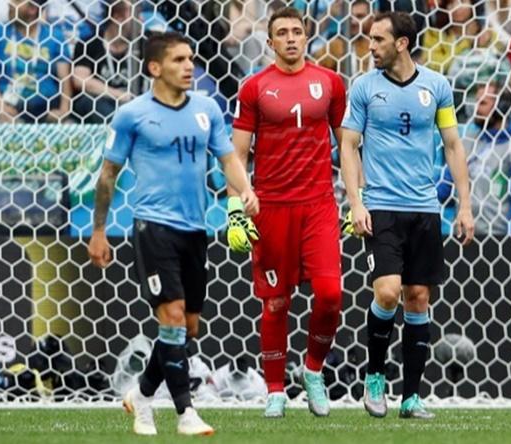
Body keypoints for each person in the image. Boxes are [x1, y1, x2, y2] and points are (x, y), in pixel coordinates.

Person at [87, 31, 258, 436]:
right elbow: (107, 177)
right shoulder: (132, 115)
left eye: (191, 59)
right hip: (153, 226)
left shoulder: (206, 109)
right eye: (180, 60)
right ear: (154, 68)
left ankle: (142, 394)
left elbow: (228, 158)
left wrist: (246, 189)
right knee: (174, 317)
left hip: (196, 228)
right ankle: (185, 412)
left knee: (187, 326)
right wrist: (99, 230)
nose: (189, 67)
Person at [340, 11, 474, 419]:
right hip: (381, 206)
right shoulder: (363, 87)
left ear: (402, 43)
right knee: (387, 292)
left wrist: (464, 205)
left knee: (418, 299)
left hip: (425, 209)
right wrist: (356, 201)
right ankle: (375, 376)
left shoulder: (437, 87)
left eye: (378, 39)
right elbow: (348, 144)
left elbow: (452, 144)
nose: (371, 46)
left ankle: (411, 397)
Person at [227, 6, 346, 418]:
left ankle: (313, 370)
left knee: (331, 295)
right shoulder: (254, 88)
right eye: (283, 32)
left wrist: (357, 196)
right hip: (271, 207)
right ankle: (275, 389)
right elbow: (236, 155)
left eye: (298, 31)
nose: (292, 38)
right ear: (271, 40)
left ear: (306, 36)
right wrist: (235, 208)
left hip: (318, 205)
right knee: (276, 303)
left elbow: (346, 145)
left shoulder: (330, 83)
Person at [438, 82, 511, 235]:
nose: (477, 109)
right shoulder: (466, 143)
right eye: (476, 102)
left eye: (483, 103)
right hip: (462, 235)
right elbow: (444, 188)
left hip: (497, 239)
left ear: (502, 106)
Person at [0, 0, 72, 123]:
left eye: (17, 1)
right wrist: (0, 106)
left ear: (32, 9)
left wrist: (64, 110)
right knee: (5, 128)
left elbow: (65, 77)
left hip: (46, 108)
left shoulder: (55, 36)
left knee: (70, 131)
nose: (10, 3)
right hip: (9, 106)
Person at [72, 0, 143, 123]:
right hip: (101, 101)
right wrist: (118, 95)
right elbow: (80, 80)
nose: (141, 21)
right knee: (90, 101)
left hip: (133, 105)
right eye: (136, 15)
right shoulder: (90, 43)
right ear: (118, 17)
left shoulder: (141, 45)